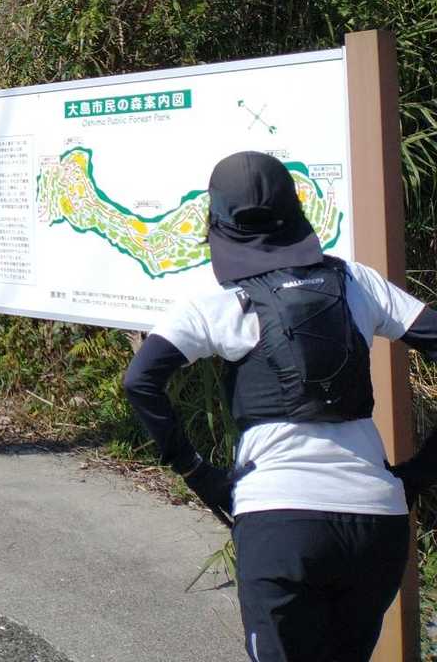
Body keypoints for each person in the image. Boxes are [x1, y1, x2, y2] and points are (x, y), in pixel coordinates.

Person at [123, 150, 437, 662]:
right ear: (295, 210)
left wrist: (198, 472)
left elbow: (141, 381)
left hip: (279, 521)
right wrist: (422, 470)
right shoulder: (356, 281)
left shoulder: (219, 302)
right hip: (376, 520)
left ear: (217, 223)